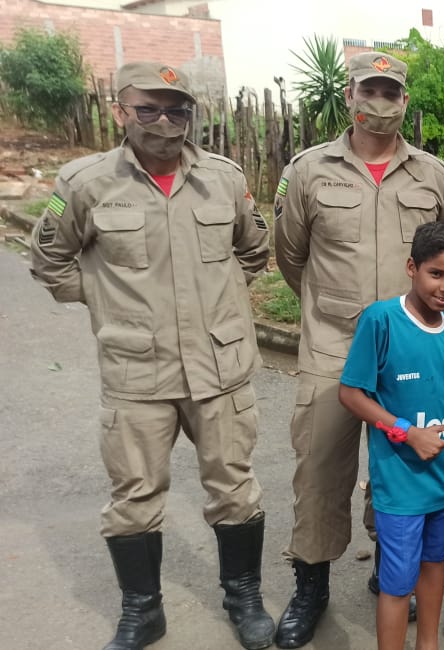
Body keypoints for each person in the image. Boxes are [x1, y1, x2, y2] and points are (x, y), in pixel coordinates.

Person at [29, 62, 275, 649]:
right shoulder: (84, 183)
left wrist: (219, 306)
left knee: (234, 486)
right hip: (137, 370)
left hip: (219, 368)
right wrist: (110, 303)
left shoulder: (224, 178)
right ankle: (143, 609)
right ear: (121, 111)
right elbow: (50, 262)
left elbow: (254, 249)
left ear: (192, 114)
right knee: (134, 494)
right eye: (148, 109)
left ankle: (243, 595)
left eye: (177, 109)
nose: (165, 121)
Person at [273, 52, 444, 648]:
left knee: (400, 469)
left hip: (407, 351)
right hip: (333, 344)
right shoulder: (308, 170)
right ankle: (312, 586)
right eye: (369, 89)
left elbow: (443, 251)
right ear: (349, 94)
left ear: (405, 101)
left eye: (391, 92)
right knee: (321, 470)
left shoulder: (433, 176)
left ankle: (390, 573)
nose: (380, 101)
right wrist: (333, 310)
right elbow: (290, 256)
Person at [337, 221, 444, 649]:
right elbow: (350, 393)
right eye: (436, 273)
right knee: (398, 582)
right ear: (412, 267)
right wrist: (406, 432)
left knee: (434, 563)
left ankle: (428, 644)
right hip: (401, 483)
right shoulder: (381, 319)